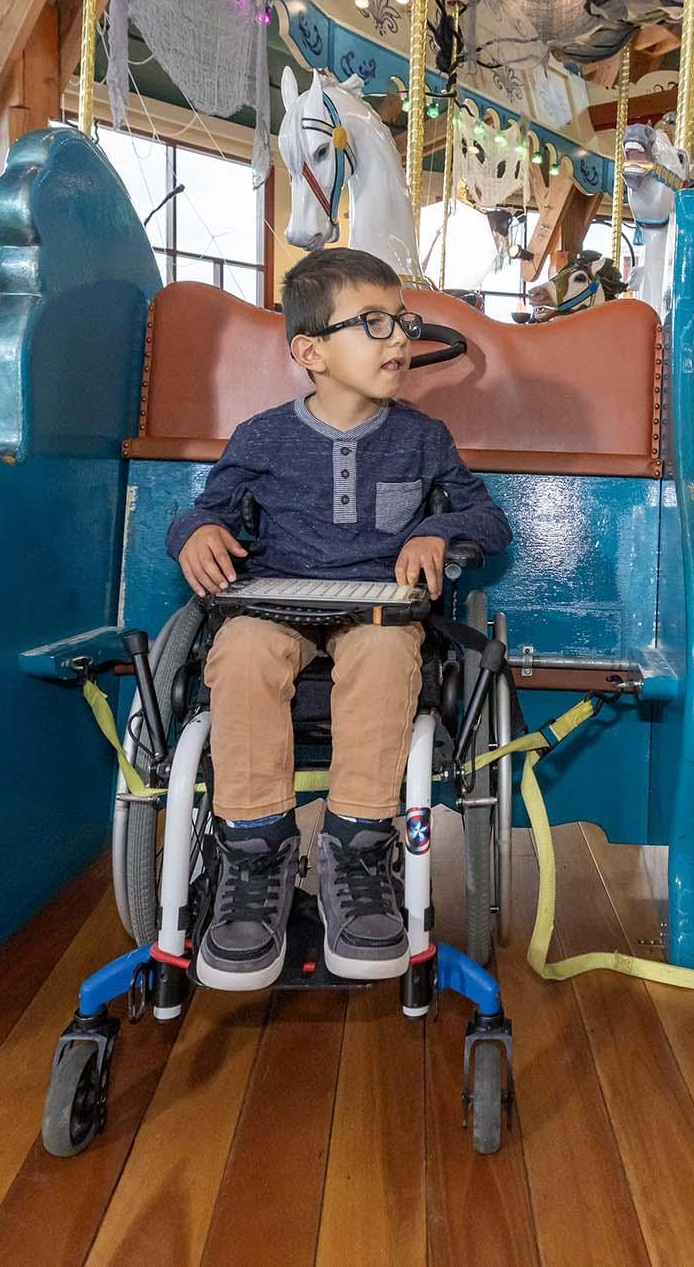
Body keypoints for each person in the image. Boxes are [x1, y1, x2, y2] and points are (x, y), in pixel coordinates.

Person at [165, 248, 511, 990]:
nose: (399, 339)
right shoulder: (261, 437)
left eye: (404, 323)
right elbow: (204, 510)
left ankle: (356, 849)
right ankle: (254, 855)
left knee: (387, 654)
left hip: (377, 613)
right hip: (276, 604)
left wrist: (437, 532)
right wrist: (192, 534)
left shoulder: (423, 438)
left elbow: (488, 518)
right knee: (243, 648)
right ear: (311, 351)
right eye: (376, 324)